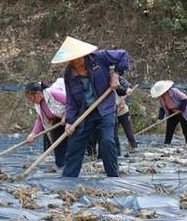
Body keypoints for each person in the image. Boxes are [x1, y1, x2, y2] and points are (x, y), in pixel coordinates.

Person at [51, 36, 129, 177]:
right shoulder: (69, 74)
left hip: (105, 109)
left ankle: (113, 177)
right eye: (72, 60)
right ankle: (68, 179)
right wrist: (70, 121)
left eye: (78, 58)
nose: (75, 62)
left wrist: (116, 75)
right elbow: (71, 101)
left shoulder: (99, 58)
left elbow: (123, 55)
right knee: (75, 144)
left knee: (106, 141)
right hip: (84, 113)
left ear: (83, 54)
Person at [25, 80, 68, 167]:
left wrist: (66, 115)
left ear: (37, 93)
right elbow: (40, 119)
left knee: (73, 150)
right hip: (56, 124)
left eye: (31, 98)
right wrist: (33, 133)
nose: (31, 101)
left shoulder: (53, 93)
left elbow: (71, 103)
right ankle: (62, 166)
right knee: (60, 159)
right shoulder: (38, 104)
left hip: (71, 121)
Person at [150, 80, 187, 145]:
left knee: (185, 129)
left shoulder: (174, 91)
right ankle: (167, 143)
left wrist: (180, 109)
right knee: (169, 129)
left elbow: (185, 99)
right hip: (171, 112)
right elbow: (162, 108)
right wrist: (159, 119)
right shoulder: (161, 97)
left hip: (182, 112)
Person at [115, 75, 138, 153]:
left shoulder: (118, 84)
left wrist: (121, 104)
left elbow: (126, 89)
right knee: (114, 133)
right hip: (112, 113)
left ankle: (134, 147)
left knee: (128, 131)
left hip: (123, 112)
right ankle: (117, 151)